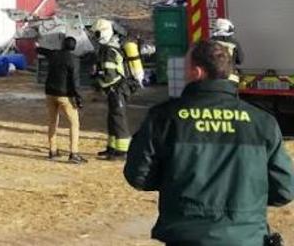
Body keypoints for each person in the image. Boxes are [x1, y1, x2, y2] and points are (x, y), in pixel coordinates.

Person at [124, 40, 294, 246]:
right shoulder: (262, 122)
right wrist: (246, 199)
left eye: (185, 68)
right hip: (246, 237)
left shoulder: (164, 117)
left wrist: (176, 183)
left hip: (185, 236)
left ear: (197, 72)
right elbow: (284, 190)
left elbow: (138, 176)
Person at [91, 18, 132, 159]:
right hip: (113, 89)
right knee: (112, 118)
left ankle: (122, 151)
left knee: (118, 118)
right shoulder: (107, 49)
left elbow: (110, 75)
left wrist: (99, 83)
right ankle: (112, 147)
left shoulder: (109, 51)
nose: (95, 37)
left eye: (97, 34)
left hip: (117, 88)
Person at [42, 34, 85, 163]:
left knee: (52, 122)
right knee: (74, 123)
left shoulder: (54, 54)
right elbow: (75, 81)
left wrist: (37, 45)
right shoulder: (74, 60)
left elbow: (42, 50)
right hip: (65, 95)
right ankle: (73, 153)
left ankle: (53, 150)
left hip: (50, 92)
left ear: (62, 45)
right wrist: (78, 98)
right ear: (74, 47)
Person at [211, 18, 243, 85]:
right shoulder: (234, 43)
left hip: (213, 79)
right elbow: (240, 60)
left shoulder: (209, 43)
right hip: (231, 79)